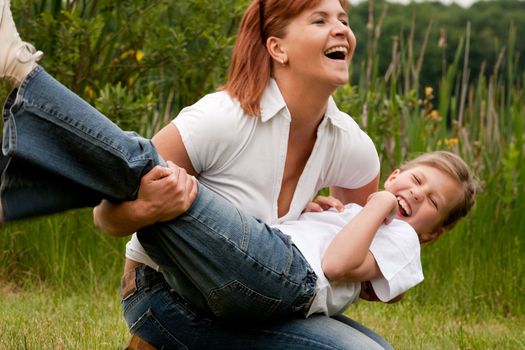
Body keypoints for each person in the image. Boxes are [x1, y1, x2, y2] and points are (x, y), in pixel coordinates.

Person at [1, 0, 401, 348]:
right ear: (278, 48)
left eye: (344, 20)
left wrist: (333, 228)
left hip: (267, 299)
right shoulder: (223, 118)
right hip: (169, 294)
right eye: (320, 20)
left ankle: (14, 188)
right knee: (147, 170)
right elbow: (106, 215)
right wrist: (147, 209)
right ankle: (18, 70)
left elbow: (359, 269)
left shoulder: (353, 147)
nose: (341, 30)